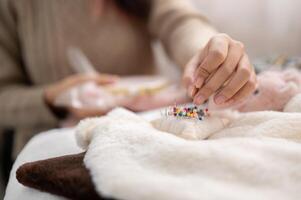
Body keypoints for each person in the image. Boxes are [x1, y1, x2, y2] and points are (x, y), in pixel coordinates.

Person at [0, 0, 256, 157]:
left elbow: (181, 23)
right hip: (56, 143)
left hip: (152, 128)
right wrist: (53, 98)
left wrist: (207, 53)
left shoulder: (180, 115)